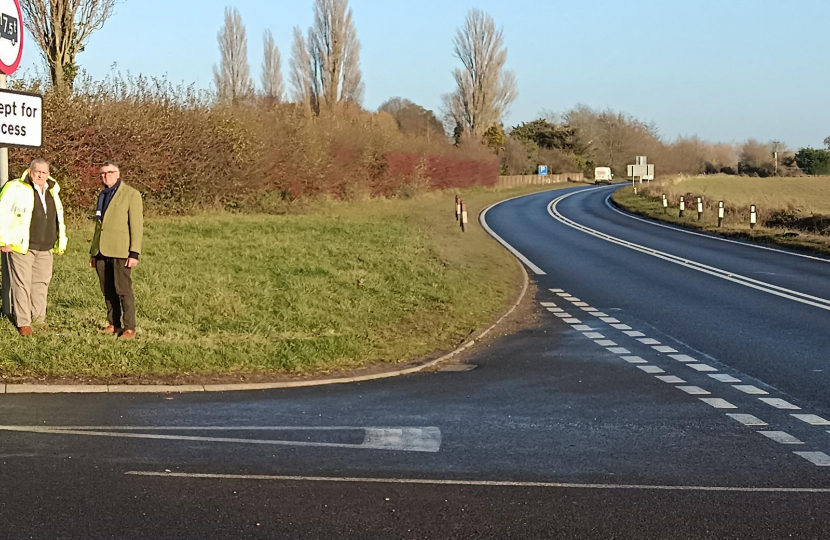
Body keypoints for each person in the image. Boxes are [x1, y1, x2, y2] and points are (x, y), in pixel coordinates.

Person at [0, 159, 67, 336]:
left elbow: (57, 216)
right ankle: (24, 323)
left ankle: (38, 320)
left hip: (46, 246)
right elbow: (2, 212)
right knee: (22, 283)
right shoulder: (15, 187)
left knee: (41, 283)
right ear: (30, 172)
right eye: (37, 172)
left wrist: (60, 242)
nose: (41, 175)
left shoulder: (53, 190)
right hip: (21, 244)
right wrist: (3, 240)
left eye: (44, 172)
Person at [89, 162, 143, 340]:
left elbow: (136, 225)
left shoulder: (131, 194)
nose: (106, 176)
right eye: (103, 173)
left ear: (118, 174)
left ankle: (129, 328)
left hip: (121, 251)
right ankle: (114, 324)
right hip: (102, 251)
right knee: (107, 290)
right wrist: (93, 252)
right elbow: (99, 227)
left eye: (110, 172)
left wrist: (134, 252)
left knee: (123, 290)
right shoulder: (102, 194)